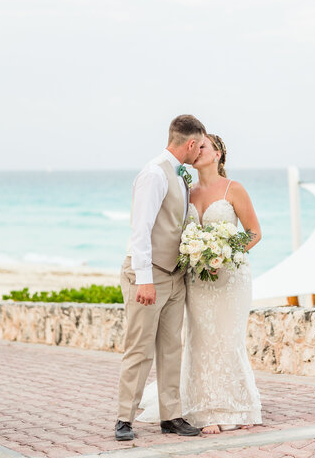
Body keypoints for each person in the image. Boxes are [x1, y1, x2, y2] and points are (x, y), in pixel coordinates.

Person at [137, 134, 263, 434]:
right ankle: (205, 409)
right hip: (198, 280)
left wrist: (226, 253)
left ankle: (236, 404)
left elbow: (254, 233)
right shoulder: (187, 192)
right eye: (194, 146)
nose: (196, 150)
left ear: (218, 154)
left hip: (231, 278)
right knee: (201, 340)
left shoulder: (235, 189)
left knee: (228, 340)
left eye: (203, 146)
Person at [115, 114, 206, 441]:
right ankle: (124, 418)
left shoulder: (181, 175)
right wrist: (144, 279)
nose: (200, 154)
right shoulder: (154, 174)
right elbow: (140, 231)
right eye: (200, 147)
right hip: (148, 273)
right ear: (191, 144)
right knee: (139, 348)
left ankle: (172, 416)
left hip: (174, 275)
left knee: (172, 348)